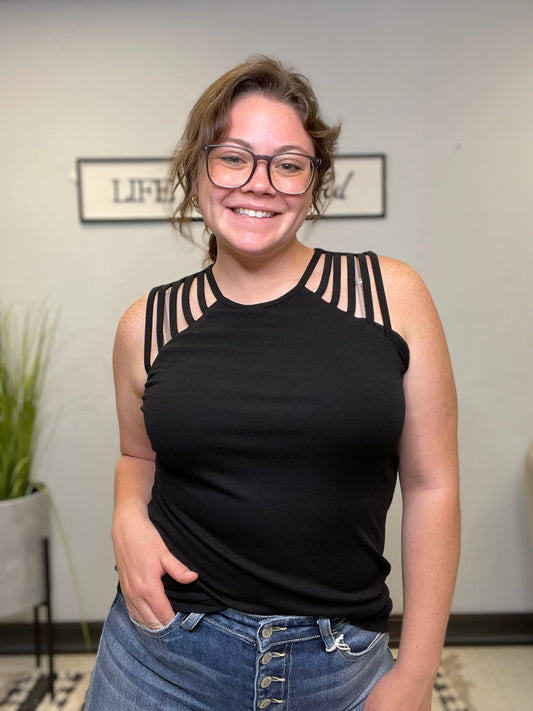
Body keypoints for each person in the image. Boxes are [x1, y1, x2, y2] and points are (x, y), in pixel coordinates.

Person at [85, 55, 460, 711]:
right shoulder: (146, 323)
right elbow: (138, 455)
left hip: (337, 666)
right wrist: (124, 514)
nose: (259, 183)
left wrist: (416, 673)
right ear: (195, 172)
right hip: (163, 656)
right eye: (233, 157)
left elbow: (432, 484)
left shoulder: (389, 297)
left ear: (313, 184)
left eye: (287, 163)